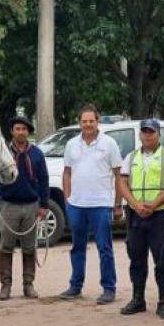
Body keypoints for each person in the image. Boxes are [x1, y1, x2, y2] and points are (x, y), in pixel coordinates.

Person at [58, 104, 124, 304]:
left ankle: (109, 288)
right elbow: (67, 172)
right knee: (77, 247)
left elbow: (118, 175)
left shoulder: (109, 143)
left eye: (91, 121)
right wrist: (68, 200)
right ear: (79, 123)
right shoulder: (71, 145)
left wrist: (118, 204)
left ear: (98, 121)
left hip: (101, 205)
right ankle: (75, 286)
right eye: (84, 121)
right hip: (77, 205)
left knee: (105, 248)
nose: (88, 125)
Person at [118, 118, 164, 320]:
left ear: (158, 134)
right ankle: (138, 299)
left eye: (151, 132)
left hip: (160, 215)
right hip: (136, 215)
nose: (147, 135)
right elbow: (122, 183)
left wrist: (153, 205)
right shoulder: (131, 157)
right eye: (144, 131)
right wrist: (135, 205)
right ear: (139, 134)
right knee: (136, 258)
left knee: (163, 259)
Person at [0, 115, 49, 300]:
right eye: (17, 129)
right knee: (6, 246)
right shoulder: (2, 152)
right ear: (12, 132)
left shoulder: (37, 154)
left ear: (28, 132)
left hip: (31, 205)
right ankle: (6, 285)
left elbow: (44, 180)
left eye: (24, 129)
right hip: (8, 205)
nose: (20, 132)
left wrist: (44, 205)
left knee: (29, 247)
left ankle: (28, 284)